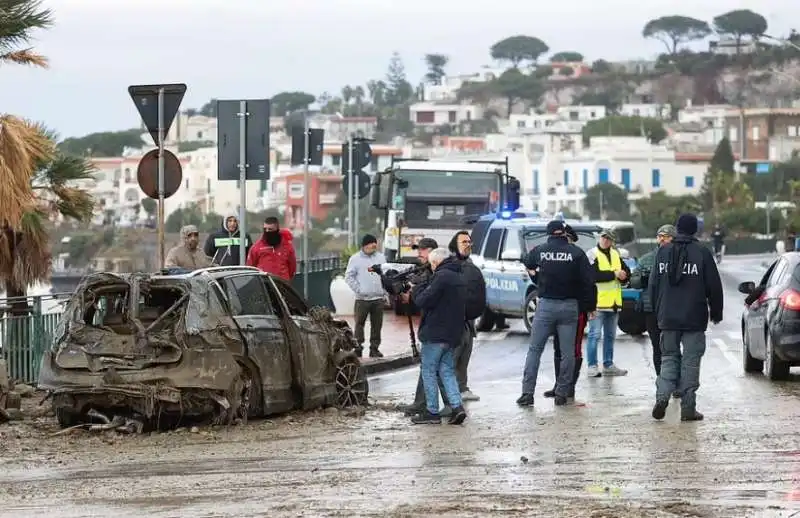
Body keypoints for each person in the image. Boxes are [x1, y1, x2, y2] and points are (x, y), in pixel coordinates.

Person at [648, 213, 723, 422]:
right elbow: (714, 287)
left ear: (677, 228)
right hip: (694, 318)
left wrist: (657, 312)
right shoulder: (702, 253)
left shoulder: (663, 252)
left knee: (668, 359)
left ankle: (662, 397)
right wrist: (716, 313)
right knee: (691, 363)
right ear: (694, 230)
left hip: (668, 318)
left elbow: (653, 285)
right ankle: (688, 408)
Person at [517, 220, 595, 407]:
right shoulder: (577, 253)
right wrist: (590, 306)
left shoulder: (541, 250)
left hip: (546, 306)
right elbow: (588, 282)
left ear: (549, 233)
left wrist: (536, 276)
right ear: (564, 233)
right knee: (567, 353)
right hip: (569, 306)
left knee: (535, 350)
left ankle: (527, 394)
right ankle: (562, 393)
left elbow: (527, 261)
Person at [409, 247, 467, 425]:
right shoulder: (458, 275)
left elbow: (423, 300)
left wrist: (417, 286)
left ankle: (431, 412)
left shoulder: (441, 277)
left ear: (435, 262)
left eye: (432, 264)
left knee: (429, 371)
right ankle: (457, 407)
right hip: (452, 333)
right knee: (447, 371)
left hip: (435, 334)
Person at [397, 238, 450, 416]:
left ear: (433, 252)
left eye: (423, 250)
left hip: (439, 328)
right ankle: (435, 404)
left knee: (435, 368)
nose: (419, 253)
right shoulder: (426, 271)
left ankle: (442, 405)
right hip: (434, 326)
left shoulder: (437, 273)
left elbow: (427, 298)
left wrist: (414, 293)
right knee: (434, 367)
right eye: (418, 250)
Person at [542, 224, 596, 400]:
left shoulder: (578, 256)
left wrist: (590, 307)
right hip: (563, 307)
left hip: (578, 308)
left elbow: (589, 284)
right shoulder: (561, 256)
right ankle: (559, 385)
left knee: (574, 349)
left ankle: (569, 386)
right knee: (559, 347)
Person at [447, 230, 486, 403]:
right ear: (454, 246)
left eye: (469, 242)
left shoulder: (471, 265)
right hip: (453, 322)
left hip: (469, 321)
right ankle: (448, 394)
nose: (468, 245)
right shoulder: (448, 266)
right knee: (451, 359)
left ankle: (462, 388)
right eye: (464, 242)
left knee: (465, 356)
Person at [585, 229, 630, 378]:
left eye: (609, 239)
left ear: (612, 241)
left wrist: (624, 276)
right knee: (594, 335)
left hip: (614, 303)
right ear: (600, 238)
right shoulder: (592, 254)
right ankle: (592, 366)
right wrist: (614, 274)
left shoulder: (616, 254)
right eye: (604, 238)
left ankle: (608, 364)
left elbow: (626, 271)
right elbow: (593, 276)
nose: (606, 241)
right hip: (597, 303)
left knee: (610, 336)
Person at [635, 224, 676, 378]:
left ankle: (674, 379)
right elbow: (635, 282)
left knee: (672, 347)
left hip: (673, 308)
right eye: (660, 236)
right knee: (657, 347)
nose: (662, 239)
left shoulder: (680, 258)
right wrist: (643, 276)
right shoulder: (647, 259)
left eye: (666, 236)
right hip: (651, 308)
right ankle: (662, 380)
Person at [344, 235, 386, 358]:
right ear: (365, 245)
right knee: (359, 324)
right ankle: (358, 348)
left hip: (378, 298)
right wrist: (359, 290)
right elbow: (349, 276)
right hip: (362, 299)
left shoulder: (381, 257)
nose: (374, 247)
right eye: (371, 244)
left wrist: (384, 292)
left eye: (375, 244)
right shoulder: (355, 259)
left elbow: (385, 275)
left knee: (377, 325)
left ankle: (374, 349)